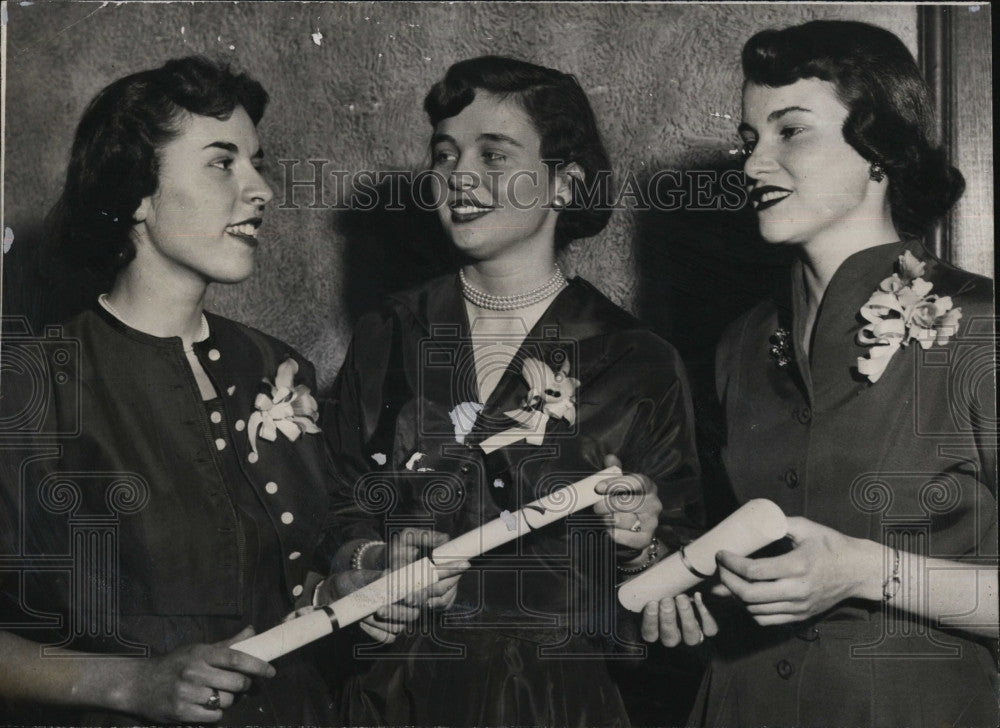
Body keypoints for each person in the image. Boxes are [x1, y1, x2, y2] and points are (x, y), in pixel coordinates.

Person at [320, 56, 704, 727]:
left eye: (494, 155)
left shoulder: (640, 361)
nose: (459, 175)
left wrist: (642, 543)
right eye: (446, 153)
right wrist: (373, 560)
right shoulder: (389, 332)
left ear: (566, 182)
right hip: (395, 702)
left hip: (562, 705)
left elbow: (677, 565)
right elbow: (338, 508)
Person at [642, 20, 998, 727]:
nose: (752, 166)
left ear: (880, 150)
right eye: (750, 140)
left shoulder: (982, 325)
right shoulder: (739, 343)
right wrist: (676, 576)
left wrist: (869, 573)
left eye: (791, 132)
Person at [0, 57, 339, 725]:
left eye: (257, 162)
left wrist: (352, 584)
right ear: (136, 195)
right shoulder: (33, 387)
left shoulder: (282, 368)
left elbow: (303, 576)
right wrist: (132, 685)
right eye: (222, 163)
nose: (262, 189)